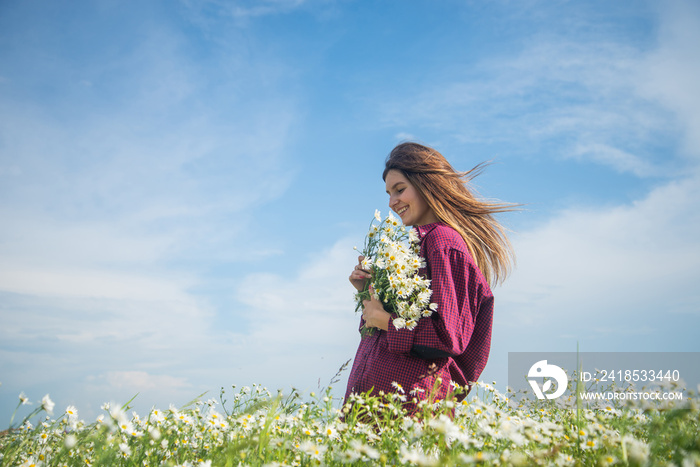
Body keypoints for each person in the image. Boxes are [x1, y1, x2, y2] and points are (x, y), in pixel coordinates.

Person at [345, 142, 516, 411]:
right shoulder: (417, 247)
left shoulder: (442, 242)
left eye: (400, 190)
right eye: (389, 194)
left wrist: (388, 322)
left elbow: (448, 338)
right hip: (378, 406)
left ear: (426, 184)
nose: (392, 202)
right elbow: (378, 337)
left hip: (408, 408)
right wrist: (368, 291)